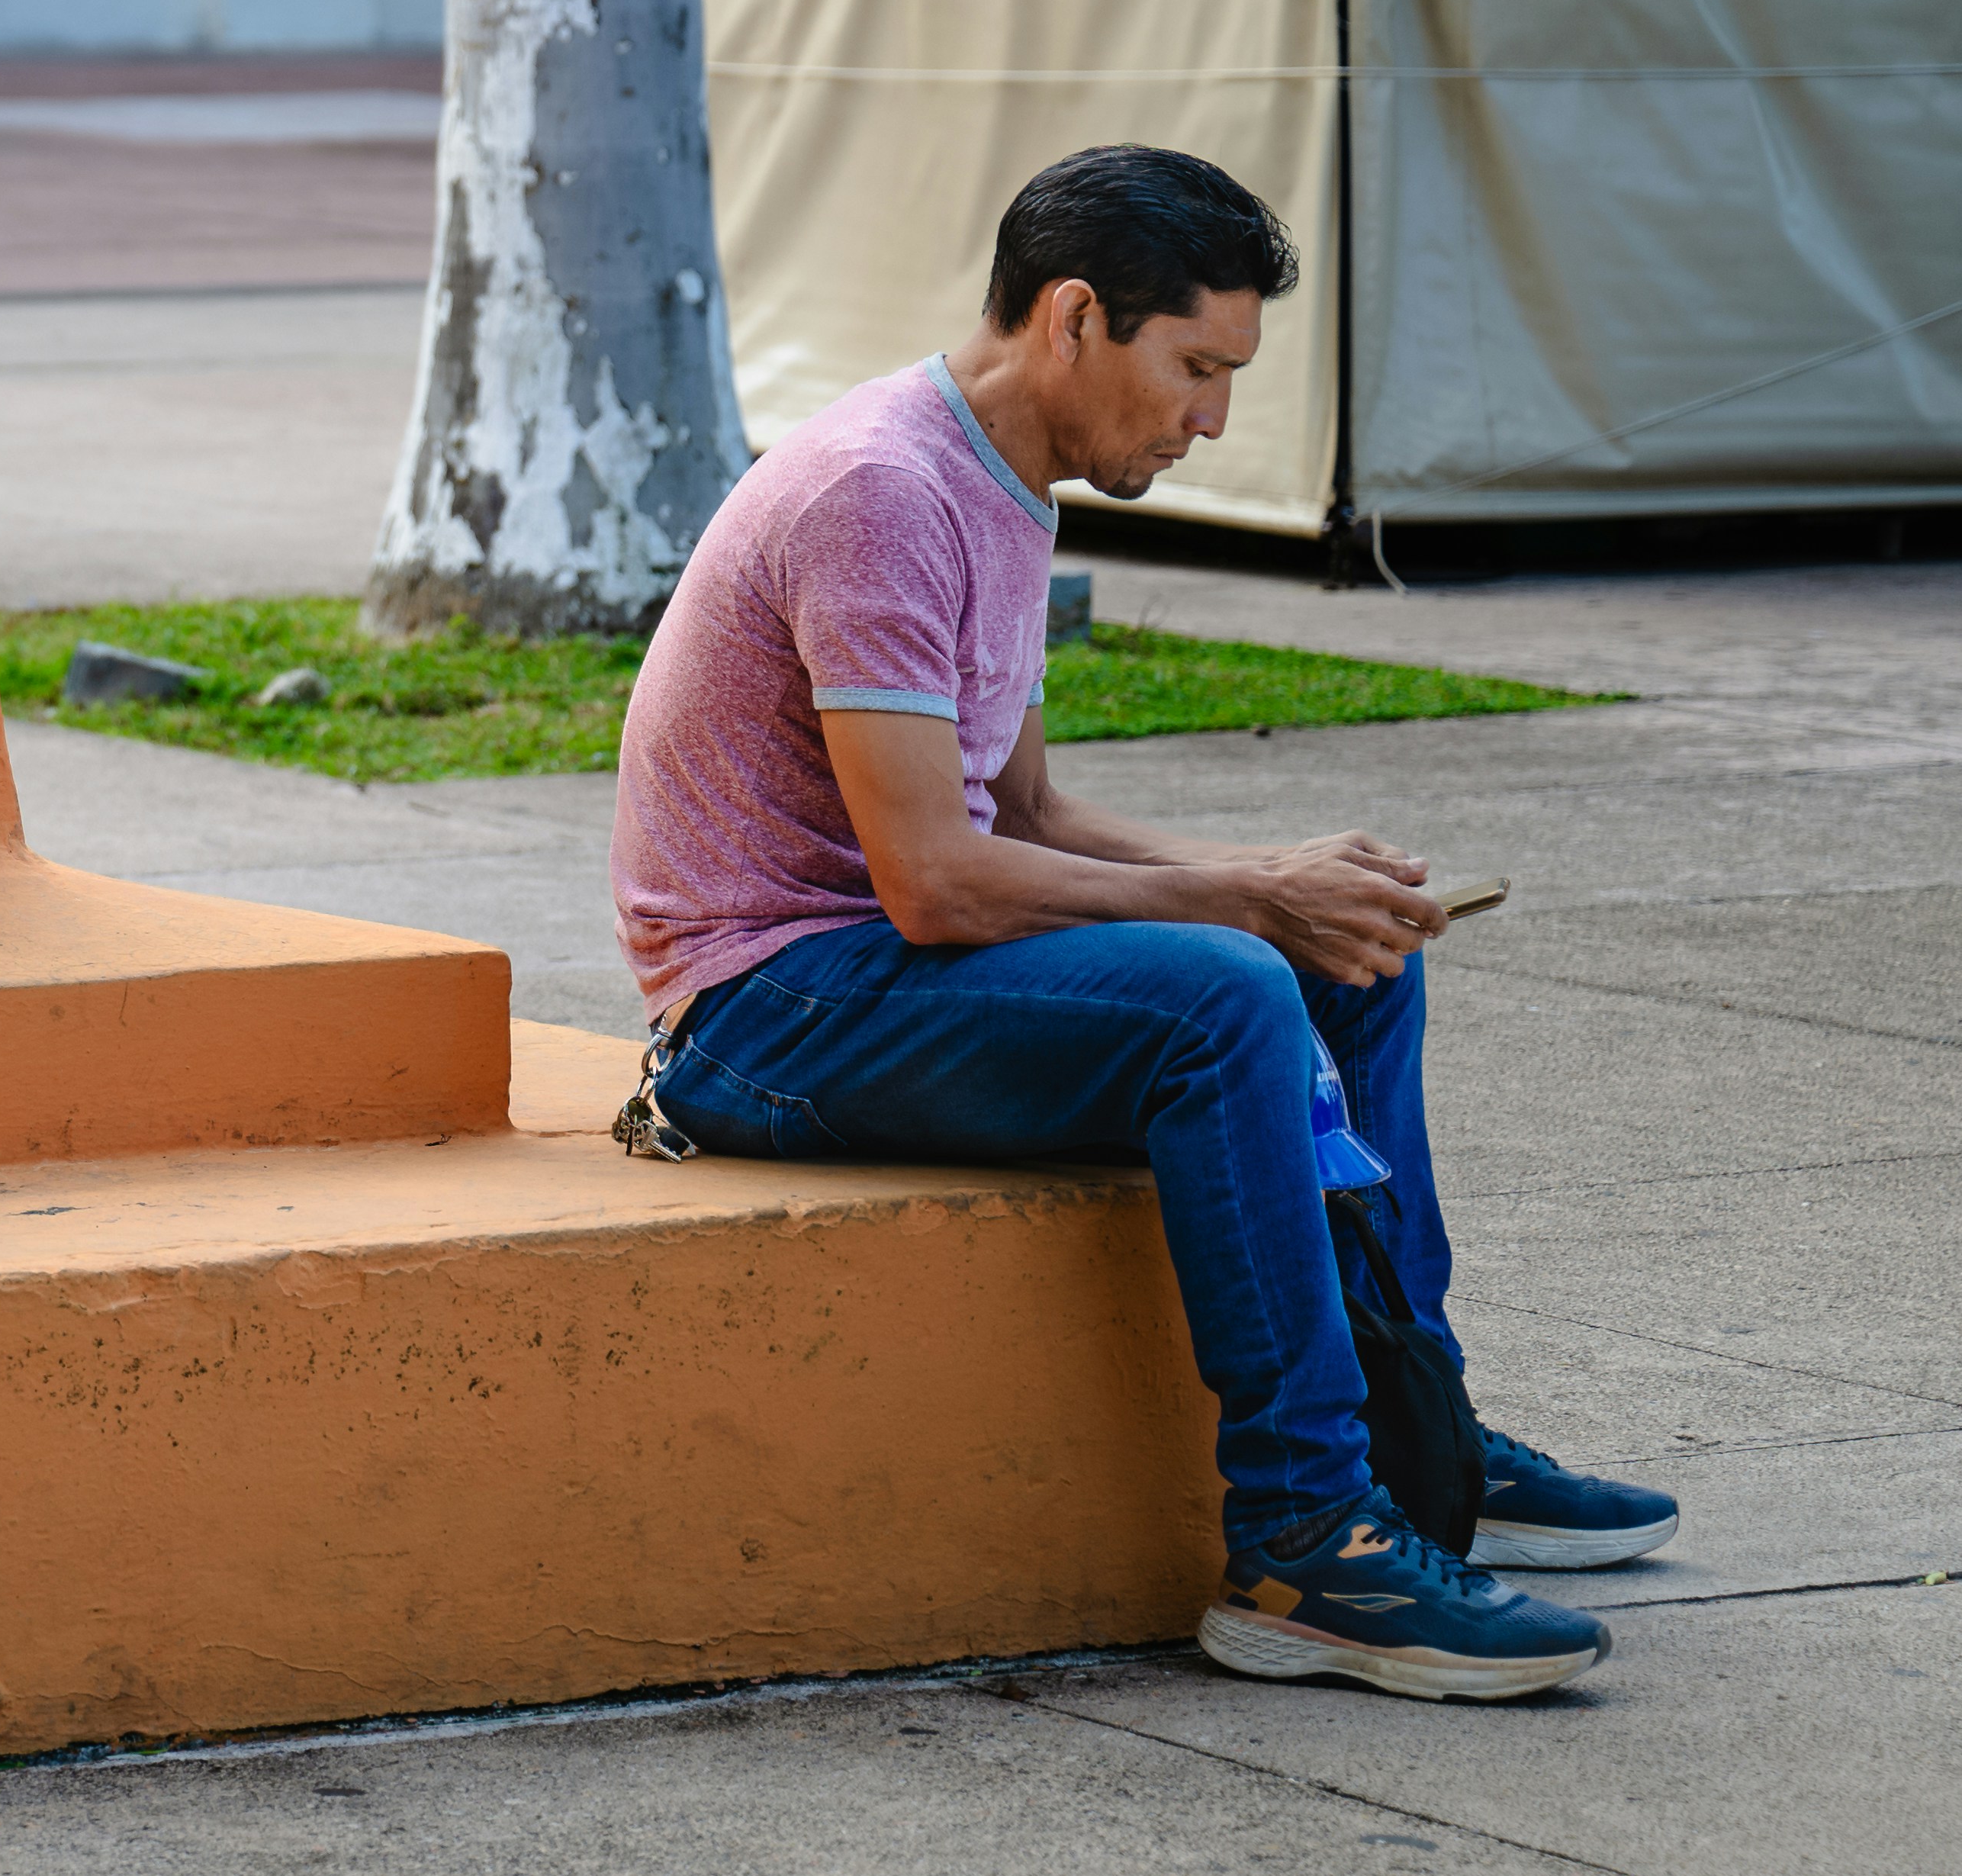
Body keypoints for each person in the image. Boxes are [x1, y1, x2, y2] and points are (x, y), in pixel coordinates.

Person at [610, 143, 1674, 1702]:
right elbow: (933, 877)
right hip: (763, 1019)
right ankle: (1304, 1545)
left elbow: (1023, 811)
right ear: (1071, 317)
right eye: (1192, 366)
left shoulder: (1001, 483)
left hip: (882, 969)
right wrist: (1243, 898)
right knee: (1231, 990)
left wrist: (1287, 879)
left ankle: (1409, 1430)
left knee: (1342, 969)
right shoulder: (880, 493)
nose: (1208, 418)